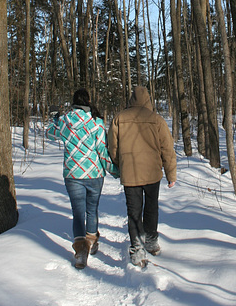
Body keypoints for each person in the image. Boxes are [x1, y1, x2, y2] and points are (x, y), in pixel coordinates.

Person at [46, 88, 118, 269]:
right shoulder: (97, 123)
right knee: (91, 210)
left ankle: (80, 251)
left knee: (78, 213)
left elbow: (50, 133)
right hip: (94, 174)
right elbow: (102, 150)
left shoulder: (64, 122)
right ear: (88, 102)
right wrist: (114, 170)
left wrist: (54, 118)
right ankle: (91, 243)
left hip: (73, 174)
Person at [108, 86, 177, 267]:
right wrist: (171, 174)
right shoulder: (157, 120)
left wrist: (119, 164)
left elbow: (112, 147)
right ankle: (151, 241)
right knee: (151, 208)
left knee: (134, 211)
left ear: (131, 99)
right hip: (152, 172)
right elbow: (167, 150)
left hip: (130, 173)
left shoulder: (119, 118)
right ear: (148, 100)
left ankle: (137, 249)